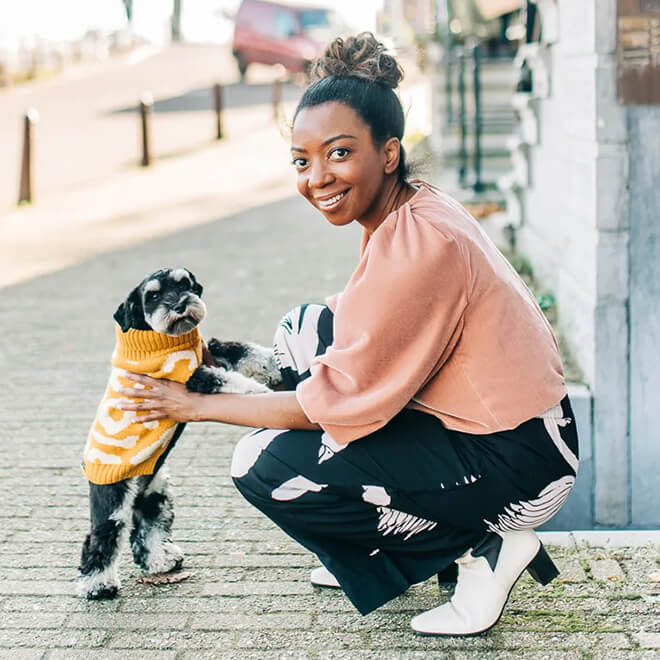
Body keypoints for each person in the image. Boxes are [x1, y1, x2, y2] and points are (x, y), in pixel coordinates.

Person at [116, 33, 579, 636]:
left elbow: (325, 405)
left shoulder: (420, 244)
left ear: (389, 153)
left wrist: (196, 405)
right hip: (508, 429)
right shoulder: (406, 210)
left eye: (339, 153)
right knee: (303, 328)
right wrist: (219, 353)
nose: (317, 178)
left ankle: (483, 550)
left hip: (522, 461)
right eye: (302, 161)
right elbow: (358, 326)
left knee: (266, 465)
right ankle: (383, 538)